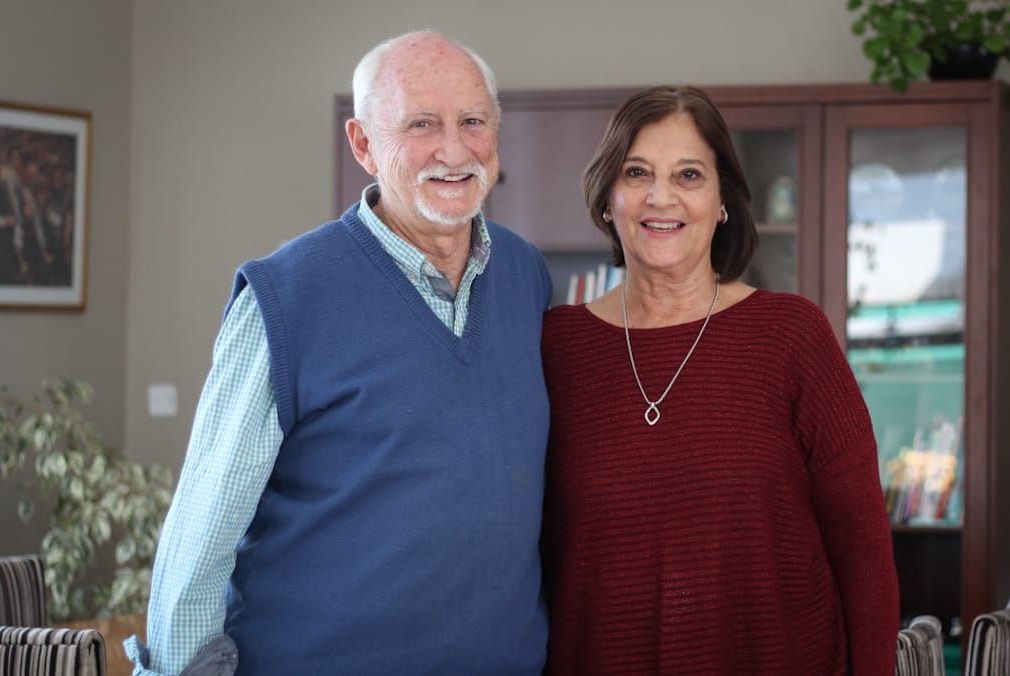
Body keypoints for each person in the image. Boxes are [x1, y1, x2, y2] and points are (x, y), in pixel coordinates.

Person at [127, 31, 552, 675]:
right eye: (421, 125)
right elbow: (203, 533)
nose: (454, 149)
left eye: (473, 122)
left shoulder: (527, 277)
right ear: (362, 145)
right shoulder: (286, 295)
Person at [540, 86, 899, 675]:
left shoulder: (791, 335)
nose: (662, 197)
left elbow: (863, 553)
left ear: (723, 201)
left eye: (688, 175)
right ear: (608, 198)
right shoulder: (555, 346)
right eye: (637, 172)